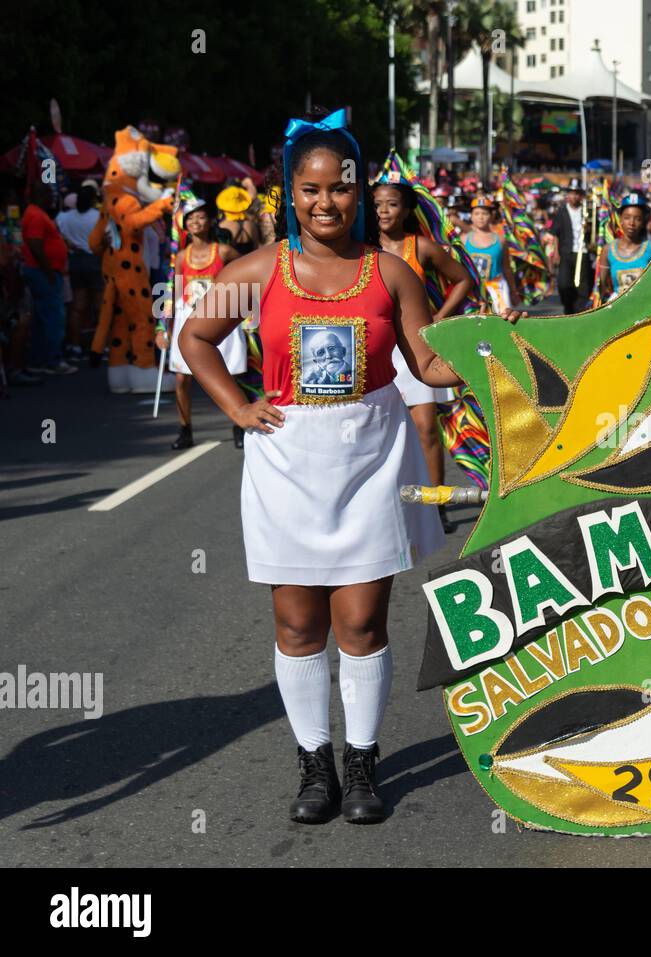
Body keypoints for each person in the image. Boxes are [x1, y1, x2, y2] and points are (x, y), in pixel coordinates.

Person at [178, 111, 467, 826]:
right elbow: (196, 337)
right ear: (290, 192)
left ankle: (362, 761)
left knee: (363, 620)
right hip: (288, 460)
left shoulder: (390, 271)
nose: (325, 202)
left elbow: (426, 361)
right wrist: (238, 409)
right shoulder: (256, 271)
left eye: (339, 189)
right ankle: (315, 763)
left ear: (359, 192)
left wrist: (498, 359)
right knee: (296, 620)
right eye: (310, 189)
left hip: (371, 452)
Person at [371, 176, 474, 532]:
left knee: (426, 427)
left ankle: (435, 502)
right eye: (378, 204)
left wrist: (438, 320)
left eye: (392, 204)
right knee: (377, 429)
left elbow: (462, 279)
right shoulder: (362, 249)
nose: (384, 211)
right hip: (376, 347)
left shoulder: (423, 248)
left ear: (407, 210)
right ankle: (385, 504)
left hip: (416, 348)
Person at [158, 198, 247, 450]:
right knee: (181, 379)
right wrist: (162, 328)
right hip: (189, 319)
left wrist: (243, 307)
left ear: (210, 221)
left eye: (200, 216)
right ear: (185, 224)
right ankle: (185, 429)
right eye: (190, 218)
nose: (196, 221)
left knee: (232, 374)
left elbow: (248, 275)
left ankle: (238, 424)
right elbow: (172, 293)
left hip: (220, 317)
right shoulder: (182, 256)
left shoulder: (224, 252)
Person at [20, 184, 76, 376]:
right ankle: (52, 360)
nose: (52, 198)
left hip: (42, 271)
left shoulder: (35, 213)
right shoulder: (35, 215)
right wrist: (48, 270)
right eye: (49, 194)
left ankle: (41, 359)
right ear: (40, 195)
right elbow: (35, 244)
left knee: (43, 318)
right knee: (53, 316)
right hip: (43, 272)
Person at [56, 181, 103, 362]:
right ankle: (99, 346)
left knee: (77, 306)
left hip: (75, 261)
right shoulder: (98, 216)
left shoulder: (64, 217)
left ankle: (74, 346)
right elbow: (107, 239)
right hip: (94, 261)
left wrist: (70, 244)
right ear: (93, 200)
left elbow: (57, 232)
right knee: (99, 306)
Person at [597, 192, 651, 300]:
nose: (631, 223)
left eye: (637, 218)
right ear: (620, 219)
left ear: (643, 221)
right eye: (627, 217)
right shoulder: (608, 250)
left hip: (646, 311)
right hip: (618, 311)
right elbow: (601, 287)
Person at [464, 195, 520, 314]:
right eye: (477, 213)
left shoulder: (500, 240)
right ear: (471, 216)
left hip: (497, 290)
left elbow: (506, 267)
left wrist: (513, 291)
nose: (481, 217)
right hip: (472, 292)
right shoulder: (463, 239)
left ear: (491, 216)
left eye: (484, 213)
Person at [549, 178, 594, 314]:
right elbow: (555, 233)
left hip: (583, 251)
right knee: (564, 284)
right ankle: (568, 308)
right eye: (571, 193)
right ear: (567, 195)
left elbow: (595, 231)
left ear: (581, 195)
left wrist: (590, 231)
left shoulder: (587, 211)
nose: (574, 196)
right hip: (566, 252)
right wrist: (555, 252)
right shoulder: (561, 212)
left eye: (577, 193)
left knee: (582, 285)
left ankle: (579, 311)